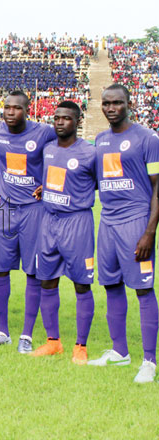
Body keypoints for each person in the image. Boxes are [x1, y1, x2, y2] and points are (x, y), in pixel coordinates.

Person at [87, 85, 159, 384]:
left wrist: (149, 232)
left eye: (118, 103)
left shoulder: (147, 139)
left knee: (142, 289)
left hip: (136, 222)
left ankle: (149, 361)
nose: (111, 108)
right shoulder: (101, 139)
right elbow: (95, 181)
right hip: (108, 223)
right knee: (111, 285)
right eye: (106, 103)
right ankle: (119, 351)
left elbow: (158, 186)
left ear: (129, 104)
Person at [0, 91, 57, 353]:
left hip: (34, 210)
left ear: (28, 110)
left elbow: (68, 148)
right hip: (6, 209)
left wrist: (50, 182)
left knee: (33, 272)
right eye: (6, 108)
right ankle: (2, 332)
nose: (10, 112)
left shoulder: (44, 132)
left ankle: (26, 335)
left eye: (16, 108)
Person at [31, 101, 96, 364]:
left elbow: (101, 183)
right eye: (56, 117)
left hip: (77, 223)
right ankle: (53, 341)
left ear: (78, 122)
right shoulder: (47, 149)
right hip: (48, 220)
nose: (59, 122)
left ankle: (81, 346)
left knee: (81, 283)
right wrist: (44, 188)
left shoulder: (90, 153)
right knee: (46, 280)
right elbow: (54, 177)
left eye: (66, 118)